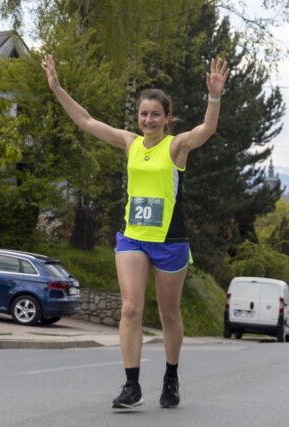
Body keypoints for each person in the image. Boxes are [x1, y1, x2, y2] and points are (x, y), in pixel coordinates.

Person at [42, 54, 230, 409]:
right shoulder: (129, 142)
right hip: (132, 237)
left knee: (169, 315)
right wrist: (57, 87)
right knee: (130, 309)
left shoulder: (175, 147)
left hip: (170, 242)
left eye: (155, 114)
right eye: (144, 114)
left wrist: (214, 97)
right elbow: (85, 120)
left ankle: (171, 376)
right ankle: (132, 385)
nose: (148, 120)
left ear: (166, 118)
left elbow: (206, 130)